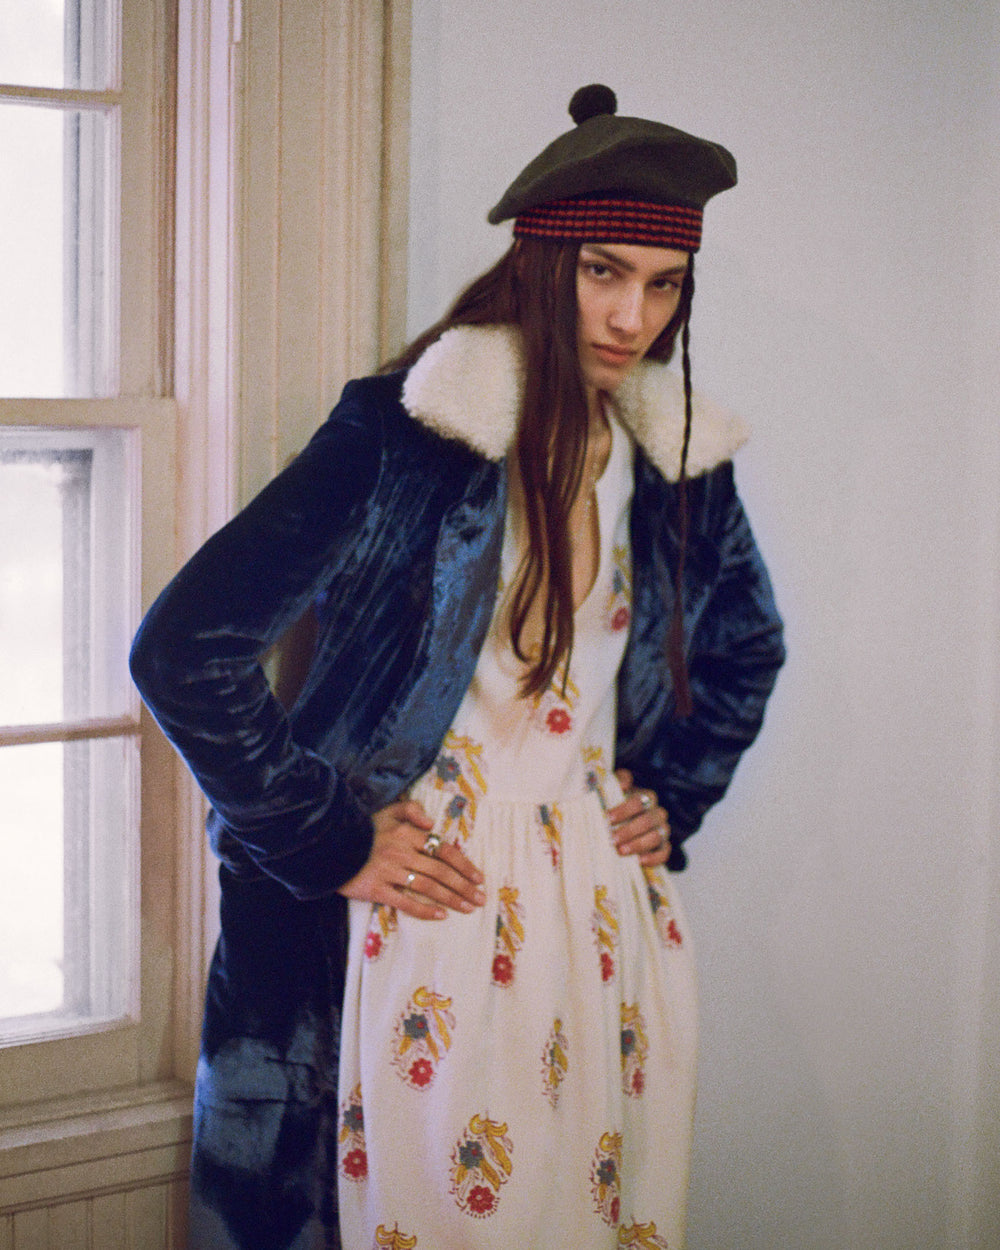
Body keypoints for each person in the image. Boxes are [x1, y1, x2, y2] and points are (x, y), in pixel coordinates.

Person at [131, 84, 784, 1250]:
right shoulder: (410, 433)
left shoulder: (672, 454)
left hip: (594, 911)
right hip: (414, 909)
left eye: (663, 282)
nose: (632, 314)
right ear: (539, 262)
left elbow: (743, 642)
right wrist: (325, 836)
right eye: (602, 270)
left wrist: (672, 791)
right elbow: (186, 646)